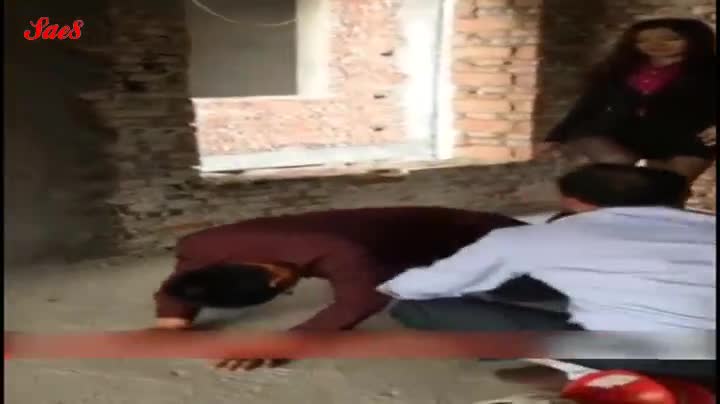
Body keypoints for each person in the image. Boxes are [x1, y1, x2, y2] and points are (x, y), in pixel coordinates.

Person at [379, 164, 715, 384]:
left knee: (418, 307)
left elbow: (422, 287)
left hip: (654, 355)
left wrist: (386, 284)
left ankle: (577, 367)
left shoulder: (531, 238)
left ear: (573, 201)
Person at [152, 206, 527, 370]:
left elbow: (360, 301)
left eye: (287, 289)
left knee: (432, 300)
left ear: (276, 277)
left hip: (471, 234)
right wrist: (172, 322)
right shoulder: (201, 244)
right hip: (387, 234)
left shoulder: (343, 253)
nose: (290, 288)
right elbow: (186, 278)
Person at [539, 18, 716, 183]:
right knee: (623, 176)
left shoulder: (710, 71)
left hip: (688, 137)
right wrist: (555, 137)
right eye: (643, 41)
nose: (655, 45)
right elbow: (587, 105)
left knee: (672, 183)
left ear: (695, 39)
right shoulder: (618, 69)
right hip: (619, 134)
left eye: (670, 39)